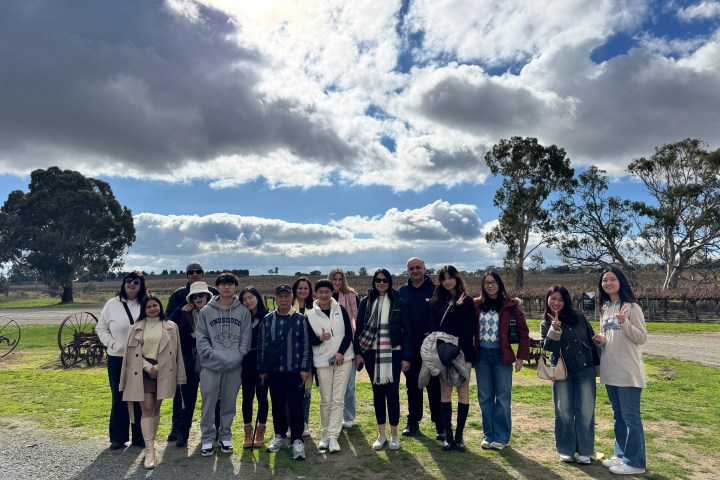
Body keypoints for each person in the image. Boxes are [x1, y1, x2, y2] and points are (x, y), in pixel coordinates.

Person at [119, 294, 186, 469]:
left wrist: (178, 375)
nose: (152, 309)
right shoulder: (136, 328)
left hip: (164, 372)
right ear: (144, 309)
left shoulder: (171, 326)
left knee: (156, 408)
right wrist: (149, 368)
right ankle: (150, 450)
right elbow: (131, 354)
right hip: (142, 371)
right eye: (148, 306)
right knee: (147, 408)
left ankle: (151, 442)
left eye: (155, 305)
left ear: (160, 306)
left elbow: (176, 353)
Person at [593, 267, 647, 475]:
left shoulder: (632, 307)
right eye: (604, 280)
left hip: (627, 371)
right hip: (610, 369)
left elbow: (641, 338)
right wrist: (601, 339)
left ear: (620, 282)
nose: (607, 283)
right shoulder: (605, 308)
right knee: (618, 415)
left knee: (631, 417)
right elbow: (609, 339)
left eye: (612, 279)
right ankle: (621, 454)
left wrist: (624, 324)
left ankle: (636, 462)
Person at [540, 285, 600, 464]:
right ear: (548, 300)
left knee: (586, 410)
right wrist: (554, 330)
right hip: (562, 372)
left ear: (566, 301)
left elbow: (591, 339)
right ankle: (566, 448)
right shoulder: (545, 323)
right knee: (564, 410)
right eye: (553, 299)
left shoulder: (579, 317)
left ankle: (585, 450)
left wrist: (597, 365)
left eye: (560, 299)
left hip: (585, 370)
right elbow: (548, 348)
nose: (556, 303)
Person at [354, 269, 412, 451]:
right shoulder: (365, 302)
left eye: (385, 280)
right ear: (373, 282)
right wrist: (359, 353)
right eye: (378, 280)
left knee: (392, 393)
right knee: (377, 393)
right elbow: (360, 329)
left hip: (393, 353)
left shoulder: (399, 302)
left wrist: (406, 357)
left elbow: (407, 330)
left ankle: (394, 435)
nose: (381, 283)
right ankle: (381, 435)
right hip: (372, 353)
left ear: (390, 282)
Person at [195, 272, 252, 457]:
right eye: (222, 284)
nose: (226, 287)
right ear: (217, 287)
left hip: (234, 366)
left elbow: (245, 337)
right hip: (211, 366)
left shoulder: (242, 311)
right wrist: (213, 354)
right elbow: (202, 337)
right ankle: (207, 439)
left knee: (229, 403)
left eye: (230, 284)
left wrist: (239, 354)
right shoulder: (206, 311)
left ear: (235, 287)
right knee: (208, 404)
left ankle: (225, 437)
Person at [474, 270, 530, 450]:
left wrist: (521, 356)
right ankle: (488, 435)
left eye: (494, 282)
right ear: (483, 286)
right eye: (487, 283)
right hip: (481, 355)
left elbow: (524, 332)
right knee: (485, 398)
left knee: (503, 398)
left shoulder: (510, 306)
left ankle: (501, 436)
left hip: (501, 356)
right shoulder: (476, 305)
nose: (490, 285)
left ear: (499, 284)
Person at [165, 262, 218, 442]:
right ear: (186, 275)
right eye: (191, 272)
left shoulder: (214, 294)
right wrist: (183, 306)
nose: (194, 274)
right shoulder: (178, 295)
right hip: (187, 355)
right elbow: (168, 322)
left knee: (212, 394)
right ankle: (178, 427)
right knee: (184, 394)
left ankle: (213, 430)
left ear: (203, 274)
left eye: (198, 271)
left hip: (210, 355)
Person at [258, 284, 311, 461]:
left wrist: (305, 368)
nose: (283, 300)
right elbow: (262, 346)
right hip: (275, 372)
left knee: (296, 406)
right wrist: (262, 368)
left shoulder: (301, 319)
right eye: (279, 296)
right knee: (278, 405)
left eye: (286, 296)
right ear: (275, 299)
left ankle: (297, 440)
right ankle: (280, 435)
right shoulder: (267, 320)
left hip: (294, 371)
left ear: (291, 298)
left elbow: (305, 345)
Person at [96, 271, 148, 450]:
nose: (131, 284)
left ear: (141, 286)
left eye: (136, 282)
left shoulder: (146, 303)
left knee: (139, 397)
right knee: (118, 397)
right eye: (128, 281)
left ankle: (140, 437)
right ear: (123, 283)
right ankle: (118, 437)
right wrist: (112, 344)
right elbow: (101, 328)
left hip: (141, 358)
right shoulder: (112, 304)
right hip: (117, 358)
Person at [428, 265, 476, 452]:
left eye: (451, 277)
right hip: (444, 353)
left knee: (463, 392)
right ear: (440, 281)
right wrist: (453, 309)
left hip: (464, 352)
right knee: (445, 393)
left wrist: (460, 309)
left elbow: (470, 327)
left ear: (457, 279)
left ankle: (460, 436)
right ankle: (448, 436)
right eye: (443, 278)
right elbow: (435, 329)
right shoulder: (435, 302)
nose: (447, 281)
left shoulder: (468, 301)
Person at [306, 279, 354, 453]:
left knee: (338, 399)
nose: (324, 295)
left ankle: (333, 436)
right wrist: (320, 339)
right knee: (326, 399)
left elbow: (349, 334)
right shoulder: (310, 316)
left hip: (343, 359)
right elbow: (310, 340)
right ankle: (325, 434)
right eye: (320, 292)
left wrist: (341, 352)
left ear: (331, 293)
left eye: (327, 292)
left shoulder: (340, 310)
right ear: (316, 294)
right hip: (323, 362)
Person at [397, 257, 443, 439]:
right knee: (413, 387)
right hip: (410, 348)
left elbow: (443, 317)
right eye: (411, 268)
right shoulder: (402, 292)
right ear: (407, 271)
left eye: (418, 267)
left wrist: (433, 332)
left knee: (434, 387)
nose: (415, 271)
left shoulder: (436, 291)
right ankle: (413, 422)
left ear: (425, 269)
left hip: (432, 348)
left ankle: (439, 424)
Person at [239, 286, 270, 449]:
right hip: (245, 363)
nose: (247, 301)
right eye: (244, 299)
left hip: (262, 363)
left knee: (262, 397)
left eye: (250, 297)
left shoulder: (267, 317)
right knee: (247, 398)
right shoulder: (241, 319)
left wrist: (264, 367)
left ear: (257, 297)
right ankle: (248, 433)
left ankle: (260, 432)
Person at [328, 268, 359, 429]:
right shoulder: (323, 297)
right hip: (328, 346)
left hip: (348, 345)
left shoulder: (350, 296)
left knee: (349, 385)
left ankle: (349, 416)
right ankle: (335, 416)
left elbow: (357, 319)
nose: (337, 282)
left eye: (340, 279)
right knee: (332, 385)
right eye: (334, 279)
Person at [292, 277, 314, 437]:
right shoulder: (287, 306)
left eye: (306, 288)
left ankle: (304, 422)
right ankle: (289, 424)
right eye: (300, 288)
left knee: (306, 391)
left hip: (308, 355)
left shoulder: (314, 308)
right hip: (291, 355)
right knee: (289, 391)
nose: (302, 291)